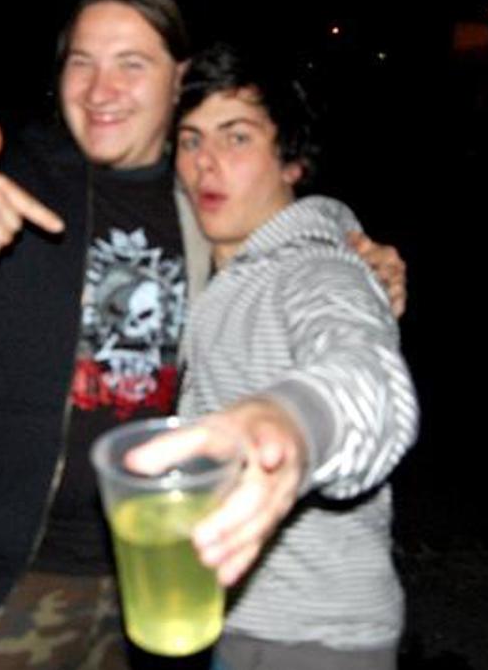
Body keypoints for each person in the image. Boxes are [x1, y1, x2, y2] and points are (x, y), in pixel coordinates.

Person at [0, 0, 407, 670]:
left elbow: (293, 254)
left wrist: (360, 258)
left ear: (178, 77)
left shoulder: (200, 203)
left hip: (149, 576)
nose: (99, 89)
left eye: (131, 63)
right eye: (81, 62)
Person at [127, 42, 419, 669]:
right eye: (191, 140)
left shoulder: (319, 271)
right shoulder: (203, 265)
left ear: (291, 160)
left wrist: (292, 423)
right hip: (221, 614)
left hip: (311, 637)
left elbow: (369, 376)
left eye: (236, 137)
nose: (205, 163)